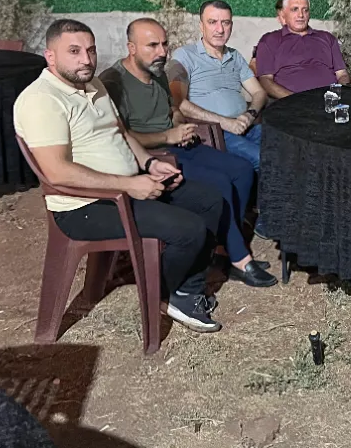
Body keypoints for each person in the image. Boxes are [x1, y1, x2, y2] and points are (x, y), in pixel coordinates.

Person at [14, 19, 226, 333]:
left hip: (127, 186)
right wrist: (129, 184)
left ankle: (183, 291)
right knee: (190, 228)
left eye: (90, 50)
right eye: (74, 51)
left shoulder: (93, 84)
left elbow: (121, 133)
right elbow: (56, 171)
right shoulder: (41, 101)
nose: (86, 59)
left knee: (210, 200)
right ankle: (165, 293)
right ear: (50, 56)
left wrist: (149, 164)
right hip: (84, 207)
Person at [100, 18, 277, 287]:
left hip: (180, 144)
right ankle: (239, 258)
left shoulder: (158, 72)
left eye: (164, 44)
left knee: (242, 170)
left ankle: (224, 246)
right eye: (152, 45)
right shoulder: (114, 82)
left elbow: (174, 109)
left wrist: (179, 126)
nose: (162, 52)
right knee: (219, 182)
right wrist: (166, 136)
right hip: (152, 156)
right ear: (131, 48)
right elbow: (121, 137)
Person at [168, 0, 268, 172]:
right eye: (212, 22)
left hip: (247, 126)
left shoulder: (234, 56)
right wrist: (225, 123)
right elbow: (179, 103)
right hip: (214, 132)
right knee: (263, 158)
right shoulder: (185, 56)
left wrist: (250, 115)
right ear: (201, 26)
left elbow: (259, 92)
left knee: (286, 149)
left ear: (231, 26)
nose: (220, 29)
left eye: (225, 23)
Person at [255, 0, 350, 99]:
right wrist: (296, 100)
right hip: (291, 103)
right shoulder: (269, 40)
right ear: (283, 14)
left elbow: (342, 74)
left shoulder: (327, 38)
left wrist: (338, 95)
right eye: (294, 9)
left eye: (305, 10)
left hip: (330, 101)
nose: (301, 15)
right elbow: (265, 80)